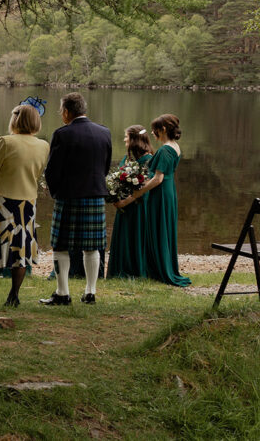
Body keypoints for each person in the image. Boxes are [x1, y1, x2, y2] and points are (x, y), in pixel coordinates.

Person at [0, 104, 49, 307]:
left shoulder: (6, 142)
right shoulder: (43, 145)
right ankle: (13, 295)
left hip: (2, 201)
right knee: (21, 251)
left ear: (15, 120)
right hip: (27, 204)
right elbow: (38, 172)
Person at [41, 92, 111, 306]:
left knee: (61, 245)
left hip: (69, 196)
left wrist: (56, 193)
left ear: (66, 112)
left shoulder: (62, 134)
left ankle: (63, 293)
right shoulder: (104, 132)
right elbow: (105, 167)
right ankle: (90, 292)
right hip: (95, 194)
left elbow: (52, 170)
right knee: (92, 246)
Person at [116, 114, 190, 286]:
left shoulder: (165, 150)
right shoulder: (175, 146)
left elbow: (158, 179)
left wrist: (136, 194)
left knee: (158, 230)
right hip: (169, 192)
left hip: (161, 193)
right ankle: (159, 267)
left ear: (163, 130)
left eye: (155, 129)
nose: (152, 133)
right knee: (163, 230)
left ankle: (160, 270)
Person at [107, 125, 154, 279]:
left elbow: (146, 186)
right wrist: (113, 193)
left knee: (135, 235)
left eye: (126, 136)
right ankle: (119, 270)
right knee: (123, 236)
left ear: (134, 139)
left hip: (138, 205)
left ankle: (135, 270)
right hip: (124, 205)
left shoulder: (148, 160)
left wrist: (125, 202)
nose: (124, 139)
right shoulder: (129, 158)